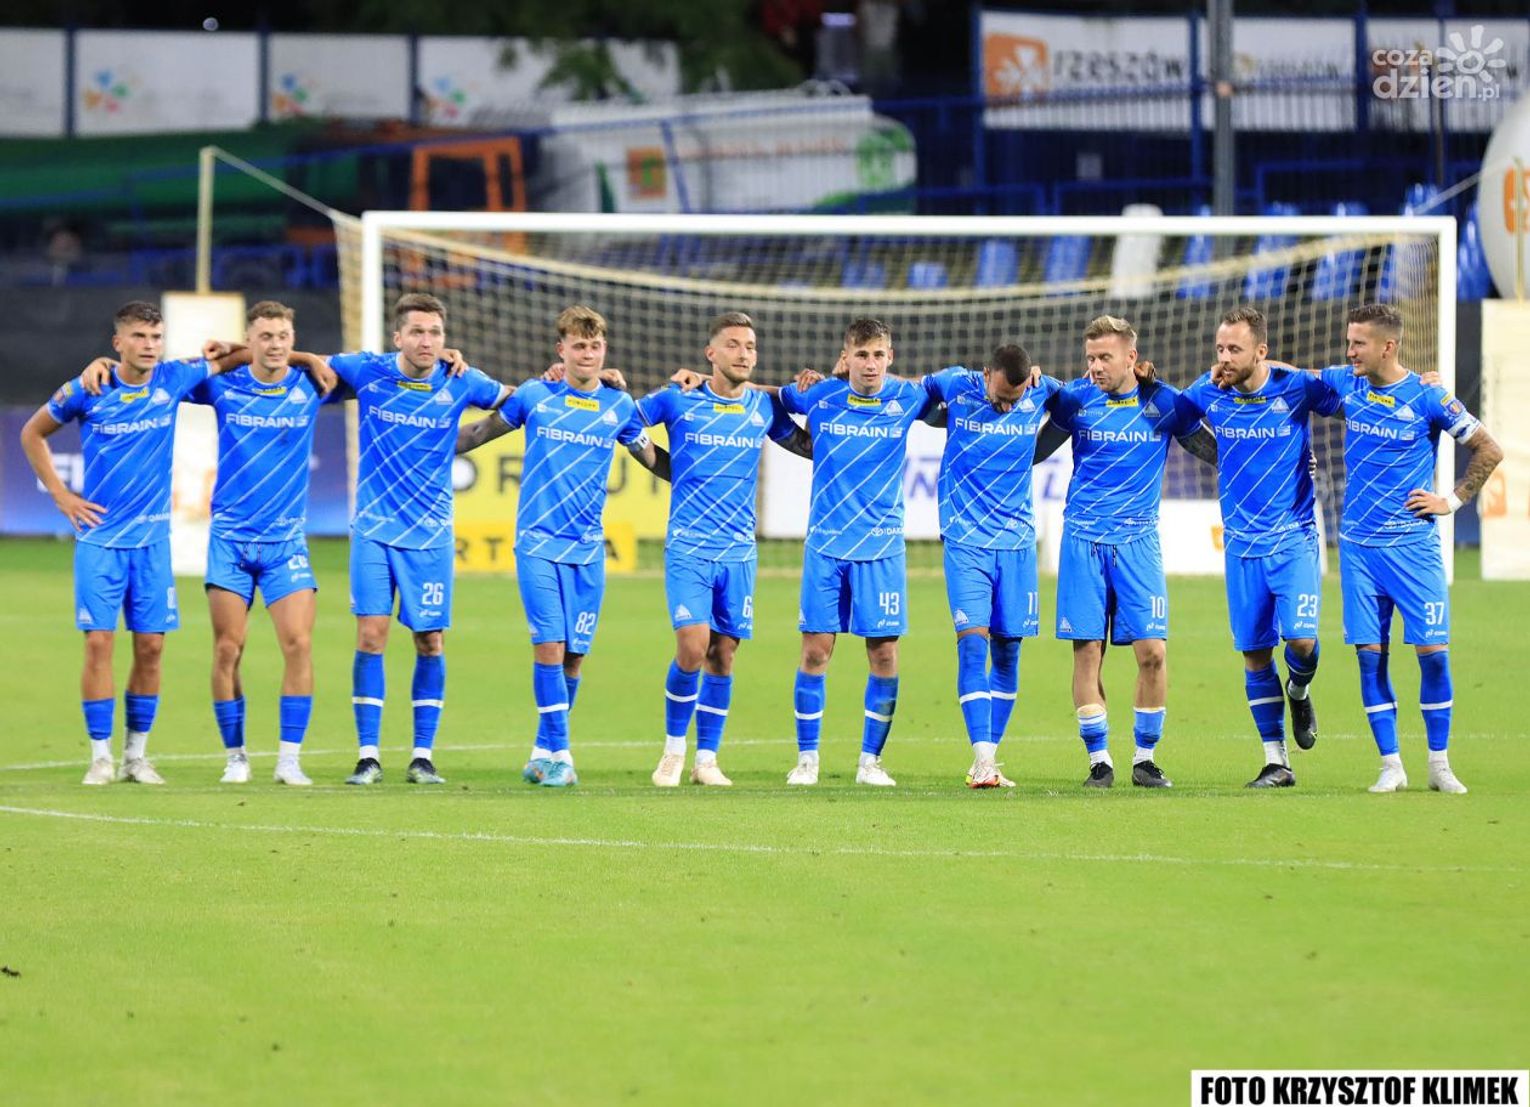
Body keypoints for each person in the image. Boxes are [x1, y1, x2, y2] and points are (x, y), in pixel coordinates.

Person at [18, 301, 244, 785]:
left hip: (152, 544)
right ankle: (100, 756)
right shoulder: (88, 387)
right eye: (139, 336)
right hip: (100, 541)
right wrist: (61, 495)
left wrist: (230, 345)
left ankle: (135, 757)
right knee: (99, 643)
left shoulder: (173, 378)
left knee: (151, 648)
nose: (149, 346)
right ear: (117, 342)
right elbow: (32, 433)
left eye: (156, 337)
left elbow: (246, 357)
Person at [455, 305, 664, 788]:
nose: (587, 354)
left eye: (595, 346)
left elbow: (651, 457)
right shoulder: (535, 396)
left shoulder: (619, 407)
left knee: (573, 656)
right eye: (578, 345)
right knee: (548, 646)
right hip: (537, 544)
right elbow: (481, 432)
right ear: (561, 350)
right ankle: (563, 756)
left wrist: (697, 476)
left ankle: (540, 752)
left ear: (604, 351)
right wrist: (423, 441)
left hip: (588, 550)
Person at [326, 293, 512, 787]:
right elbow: (304, 366)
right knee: (371, 636)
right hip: (373, 530)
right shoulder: (368, 371)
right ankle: (368, 755)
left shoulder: (461, 380)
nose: (426, 341)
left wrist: (570, 382)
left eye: (434, 332)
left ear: (444, 339)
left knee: (430, 640)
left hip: (430, 536)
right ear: (398, 337)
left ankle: (422, 756)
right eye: (417, 332)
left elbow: (517, 401)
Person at [1317, 303, 1501, 794]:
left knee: (1434, 655)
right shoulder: (1347, 384)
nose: (1349, 351)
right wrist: (1247, 362)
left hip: (1413, 549)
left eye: (1358, 343)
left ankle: (1439, 765)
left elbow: (1489, 448)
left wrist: (1451, 501)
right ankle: (1391, 765)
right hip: (1358, 550)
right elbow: (1292, 376)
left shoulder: (1427, 395)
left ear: (1388, 346)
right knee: (1369, 658)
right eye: (1349, 341)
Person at [1040, 315, 1217, 789]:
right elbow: (1034, 451)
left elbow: (1214, 451)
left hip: (1138, 542)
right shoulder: (1075, 399)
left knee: (1153, 653)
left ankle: (1145, 759)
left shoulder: (1161, 402)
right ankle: (1099, 760)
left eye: (1105, 357)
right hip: (1083, 540)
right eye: (1090, 358)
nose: (1095, 366)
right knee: (1088, 653)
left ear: (1131, 358)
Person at [638, 311, 812, 788]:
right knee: (692, 646)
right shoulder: (679, 397)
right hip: (689, 547)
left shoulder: (762, 408)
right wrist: (660, 462)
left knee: (724, 655)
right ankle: (673, 751)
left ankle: (707, 759)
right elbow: (627, 423)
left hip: (738, 552)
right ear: (710, 353)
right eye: (733, 344)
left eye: (750, 346)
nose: (743, 353)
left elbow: (808, 446)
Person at [1174, 306, 1334, 788]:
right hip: (1241, 546)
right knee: (1256, 653)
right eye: (1219, 348)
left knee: (1301, 641)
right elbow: (1176, 420)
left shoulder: (1295, 386)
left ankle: (1299, 690)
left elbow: (1354, 396)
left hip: (1293, 539)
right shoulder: (1208, 391)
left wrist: (1419, 382)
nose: (1223, 358)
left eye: (1234, 349)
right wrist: (1219, 454)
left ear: (1261, 351)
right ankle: (1276, 761)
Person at [778, 317, 941, 787]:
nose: (870, 364)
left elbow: (955, 388)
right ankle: (807, 760)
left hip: (882, 548)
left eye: (878, 355)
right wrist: (798, 438)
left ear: (891, 358)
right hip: (826, 546)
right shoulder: (819, 395)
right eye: (861, 355)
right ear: (845, 357)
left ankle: (870, 762)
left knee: (884, 655)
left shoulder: (907, 397)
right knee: (815, 652)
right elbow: (768, 402)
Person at [185, 302, 336, 786]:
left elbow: (384, 373)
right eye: (266, 336)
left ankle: (289, 760)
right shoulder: (221, 386)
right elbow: (170, 376)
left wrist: (306, 359)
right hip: (230, 541)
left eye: (284, 336)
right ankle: (236, 756)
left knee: (299, 644)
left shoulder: (312, 384)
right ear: (250, 339)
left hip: (285, 543)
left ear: (294, 339)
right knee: (228, 650)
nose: (275, 344)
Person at [923, 345, 1063, 788]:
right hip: (966, 542)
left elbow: (1083, 399)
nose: (1006, 407)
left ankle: (989, 758)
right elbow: (908, 393)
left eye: (1013, 401)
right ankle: (983, 760)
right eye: (1000, 397)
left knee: (1008, 652)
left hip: (1018, 544)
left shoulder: (1040, 390)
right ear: (986, 375)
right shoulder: (956, 384)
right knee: (971, 645)